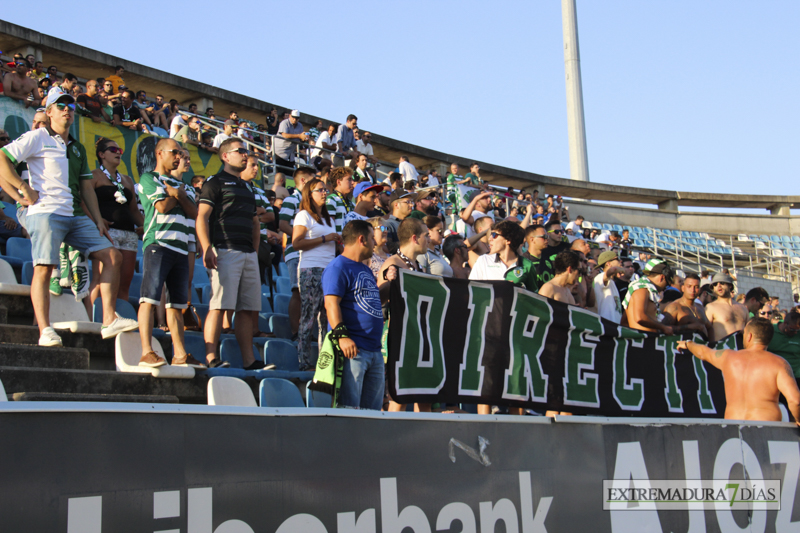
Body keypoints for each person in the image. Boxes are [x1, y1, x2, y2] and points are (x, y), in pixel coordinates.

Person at [0, 93, 138, 345]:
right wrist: (21, 190)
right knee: (44, 268)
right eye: (61, 106)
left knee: (112, 256)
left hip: (75, 214)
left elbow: (86, 188)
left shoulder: (77, 147)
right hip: (45, 211)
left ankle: (108, 318)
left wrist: (97, 219)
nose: (67, 110)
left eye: (71, 106)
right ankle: (44, 329)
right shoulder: (37, 136)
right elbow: (2, 158)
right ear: (50, 111)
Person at [197, 139, 264, 370]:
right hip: (225, 250)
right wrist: (207, 247)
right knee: (219, 306)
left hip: (247, 253)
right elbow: (202, 217)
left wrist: (254, 252)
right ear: (225, 156)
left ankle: (249, 360)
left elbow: (255, 222)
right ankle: (211, 358)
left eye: (246, 151)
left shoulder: (247, 186)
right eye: (240, 151)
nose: (246, 155)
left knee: (246, 308)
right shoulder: (214, 183)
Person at [136, 139, 204, 368]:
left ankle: (180, 355)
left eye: (180, 153)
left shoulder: (186, 188)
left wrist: (177, 194)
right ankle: (146, 351)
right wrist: (176, 195)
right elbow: (161, 207)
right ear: (159, 153)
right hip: (159, 243)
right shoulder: (149, 178)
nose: (178, 156)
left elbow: (194, 213)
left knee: (176, 304)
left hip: (181, 248)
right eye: (174, 152)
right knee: (149, 298)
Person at [323, 220, 392, 410]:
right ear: (361, 239)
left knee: (373, 414)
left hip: (374, 350)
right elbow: (331, 303)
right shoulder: (338, 267)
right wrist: (342, 336)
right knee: (349, 410)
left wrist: (389, 282)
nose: (375, 243)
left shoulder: (364, 269)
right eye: (371, 238)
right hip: (353, 350)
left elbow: (375, 301)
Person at [677, 318, 800, 424]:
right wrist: (798, 420)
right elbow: (795, 401)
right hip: (766, 426)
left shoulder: (728, 357)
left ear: (749, 336)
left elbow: (704, 352)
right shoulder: (779, 363)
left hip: (733, 426)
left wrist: (688, 344)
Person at [378, 218, 430, 412]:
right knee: (400, 396)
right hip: (399, 339)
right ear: (415, 238)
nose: (430, 239)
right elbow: (379, 300)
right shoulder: (392, 263)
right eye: (426, 235)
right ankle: (391, 437)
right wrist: (389, 281)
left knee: (424, 396)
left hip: (418, 338)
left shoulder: (418, 266)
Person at [292, 178, 341, 369]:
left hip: (328, 270)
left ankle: (323, 364)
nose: (324, 193)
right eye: (319, 190)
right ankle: (304, 363)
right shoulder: (304, 215)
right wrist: (324, 238)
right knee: (309, 317)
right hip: (311, 269)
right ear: (309, 194)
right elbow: (296, 243)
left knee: (325, 318)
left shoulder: (329, 218)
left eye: (325, 190)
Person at [87, 138, 143, 304]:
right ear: (101, 154)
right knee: (100, 280)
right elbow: (84, 202)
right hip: (106, 233)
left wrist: (145, 225)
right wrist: (96, 220)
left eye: (120, 151)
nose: (118, 153)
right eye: (113, 150)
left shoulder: (127, 180)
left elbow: (133, 209)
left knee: (123, 284)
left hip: (129, 235)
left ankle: (120, 321)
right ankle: (93, 320)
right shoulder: (94, 175)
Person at [279, 167, 315, 340]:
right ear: (302, 181)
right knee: (298, 291)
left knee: (310, 294)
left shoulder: (312, 203)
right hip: (296, 252)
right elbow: (282, 224)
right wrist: (299, 237)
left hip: (312, 252)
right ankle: (296, 331)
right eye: (312, 180)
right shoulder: (292, 200)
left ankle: (306, 332)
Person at [621, 259, 674, 335]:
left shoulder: (646, 289)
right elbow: (640, 318)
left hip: (644, 341)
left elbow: (624, 322)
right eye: (667, 284)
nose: (666, 288)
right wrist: (663, 327)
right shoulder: (642, 289)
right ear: (662, 277)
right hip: (642, 342)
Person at [662, 273, 713, 339]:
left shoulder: (700, 307)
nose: (693, 290)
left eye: (696, 287)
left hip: (700, 347)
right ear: (683, 288)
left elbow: (710, 328)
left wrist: (712, 345)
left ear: (699, 290)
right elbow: (663, 329)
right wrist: (689, 327)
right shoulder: (674, 307)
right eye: (689, 286)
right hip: (681, 346)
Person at [705, 272, 749, 341]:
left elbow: (748, 330)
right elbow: (706, 332)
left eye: (722, 282)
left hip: (741, 349)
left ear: (730, 286)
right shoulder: (711, 307)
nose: (718, 285)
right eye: (715, 284)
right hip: (722, 349)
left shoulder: (743, 308)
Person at [592, 251, 626, 323]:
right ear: (608, 263)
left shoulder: (612, 281)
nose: (620, 261)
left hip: (614, 325)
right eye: (617, 259)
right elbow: (612, 270)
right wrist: (622, 270)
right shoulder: (600, 277)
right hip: (606, 325)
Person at [768, 309, 800, 378]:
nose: (795, 332)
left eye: (798, 330)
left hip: (796, 375)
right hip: (775, 374)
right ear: (785, 323)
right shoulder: (770, 331)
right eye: (792, 329)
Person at [383, 189, 417, 253]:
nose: (411, 205)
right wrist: (410, 242)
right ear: (396, 205)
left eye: (412, 202)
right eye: (407, 202)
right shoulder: (387, 224)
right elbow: (388, 247)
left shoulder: (411, 224)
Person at [326, 167, 355, 233]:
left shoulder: (351, 203)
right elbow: (329, 226)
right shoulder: (331, 199)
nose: (353, 182)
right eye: (349, 179)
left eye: (352, 179)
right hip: (337, 241)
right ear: (338, 182)